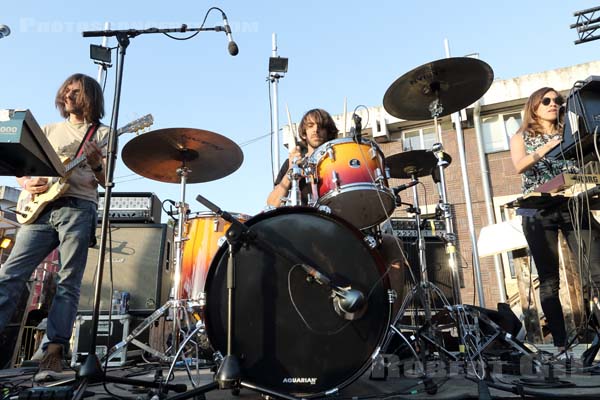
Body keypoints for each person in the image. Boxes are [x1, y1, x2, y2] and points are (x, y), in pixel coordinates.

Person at [0, 73, 108, 378]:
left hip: (79, 206)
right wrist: (26, 182)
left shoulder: (104, 134)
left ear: (90, 97)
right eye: (66, 91)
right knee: (10, 274)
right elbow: (22, 169)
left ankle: (53, 352)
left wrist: (97, 162)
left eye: (75, 92)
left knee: (67, 281)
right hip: (39, 210)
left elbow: (105, 180)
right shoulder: (48, 130)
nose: (68, 96)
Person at [267, 108, 407, 313]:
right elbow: (272, 204)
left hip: (349, 230)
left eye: (322, 126)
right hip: (314, 233)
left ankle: (389, 323)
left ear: (329, 132)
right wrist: (290, 172)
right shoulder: (294, 163)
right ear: (303, 133)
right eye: (310, 126)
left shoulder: (339, 158)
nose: (316, 131)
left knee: (393, 244)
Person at [510, 87, 600, 355]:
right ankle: (560, 344)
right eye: (546, 100)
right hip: (538, 208)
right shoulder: (522, 135)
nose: (554, 104)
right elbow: (519, 165)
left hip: (572, 202)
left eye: (558, 101)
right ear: (534, 106)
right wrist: (547, 147)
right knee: (549, 279)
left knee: (596, 268)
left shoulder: (570, 132)